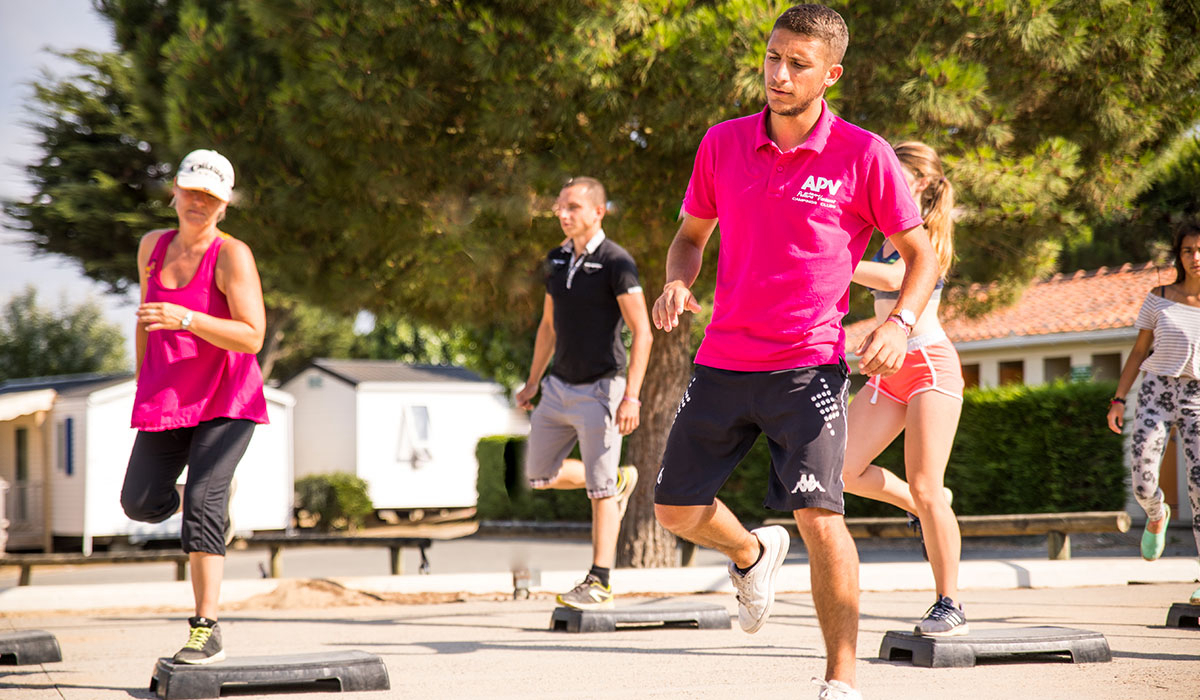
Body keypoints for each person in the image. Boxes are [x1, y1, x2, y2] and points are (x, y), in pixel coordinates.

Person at [651, 6, 938, 699]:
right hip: (723, 360)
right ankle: (751, 554)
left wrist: (899, 323)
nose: (778, 74)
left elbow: (919, 255)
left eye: (797, 63)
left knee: (819, 514)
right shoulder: (721, 143)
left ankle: (841, 681)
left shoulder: (864, 154)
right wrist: (674, 281)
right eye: (773, 57)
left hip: (807, 364)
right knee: (674, 510)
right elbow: (692, 236)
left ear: (830, 74)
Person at [120, 149, 267, 664]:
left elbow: (252, 337)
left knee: (203, 505)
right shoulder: (152, 248)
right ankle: (206, 510)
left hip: (228, 399)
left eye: (210, 197)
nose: (198, 203)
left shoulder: (232, 255)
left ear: (224, 206)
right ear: (174, 193)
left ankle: (206, 629)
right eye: (191, 191)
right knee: (138, 501)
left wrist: (187, 318)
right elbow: (144, 318)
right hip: (170, 397)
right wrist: (144, 380)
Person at [840, 142, 968, 636]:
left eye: (895, 172)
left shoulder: (926, 236)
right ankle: (918, 505)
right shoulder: (887, 235)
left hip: (930, 367)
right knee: (841, 469)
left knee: (927, 484)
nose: (883, 178)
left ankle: (949, 603)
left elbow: (897, 277)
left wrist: (833, 258)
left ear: (920, 183)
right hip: (887, 371)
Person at [515, 176, 653, 610]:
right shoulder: (555, 259)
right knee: (539, 475)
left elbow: (643, 332)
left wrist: (632, 396)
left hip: (602, 389)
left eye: (572, 206)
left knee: (597, 494)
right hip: (556, 388)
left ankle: (600, 581)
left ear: (598, 211)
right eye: (560, 206)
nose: (563, 213)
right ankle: (614, 481)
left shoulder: (617, 262)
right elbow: (548, 326)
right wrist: (534, 380)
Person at [1107, 222, 1200, 606]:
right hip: (1155, 392)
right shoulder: (1159, 297)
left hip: (1197, 396)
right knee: (1143, 481)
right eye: (1188, 251)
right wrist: (1118, 398)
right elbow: (1138, 351)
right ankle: (1157, 513)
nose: (1196, 258)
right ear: (1178, 256)